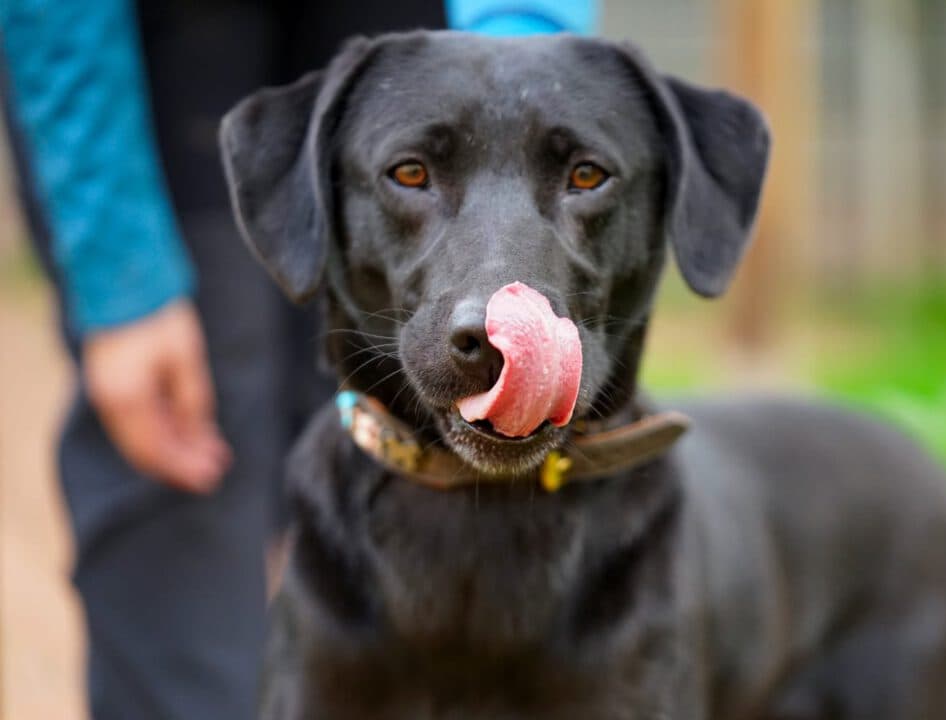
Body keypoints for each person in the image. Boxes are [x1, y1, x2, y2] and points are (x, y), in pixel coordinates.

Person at [0, 1, 597, 718]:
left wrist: (519, 61)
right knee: (185, 522)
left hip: (415, 50)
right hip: (166, 67)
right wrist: (120, 268)